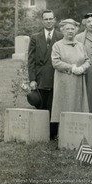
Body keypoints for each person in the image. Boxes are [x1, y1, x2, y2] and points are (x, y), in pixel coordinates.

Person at [28, 10, 63, 140]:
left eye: (50, 19)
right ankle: (41, 132)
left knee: (54, 104)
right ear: (42, 21)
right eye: (46, 19)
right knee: (41, 104)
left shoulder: (60, 36)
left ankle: (52, 133)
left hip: (56, 77)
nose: (48, 21)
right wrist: (32, 79)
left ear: (55, 20)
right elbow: (31, 61)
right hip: (40, 77)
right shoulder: (35, 37)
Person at [51, 19, 90, 128]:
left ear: (76, 30)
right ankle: (63, 132)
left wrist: (82, 68)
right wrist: (71, 68)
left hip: (78, 82)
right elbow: (56, 62)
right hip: (64, 82)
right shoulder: (57, 45)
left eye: (72, 29)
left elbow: (87, 60)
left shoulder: (80, 45)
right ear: (62, 30)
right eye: (67, 29)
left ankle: (78, 129)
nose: (70, 31)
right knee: (64, 105)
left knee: (78, 104)